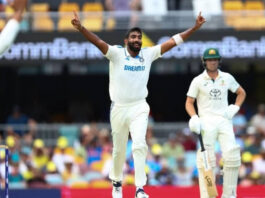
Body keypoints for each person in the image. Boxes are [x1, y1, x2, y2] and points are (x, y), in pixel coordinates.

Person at [72, 11, 205, 198]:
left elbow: (173, 42)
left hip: (139, 107)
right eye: (133, 37)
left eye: (139, 37)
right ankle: (117, 183)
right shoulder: (117, 53)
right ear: (126, 41)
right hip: (118, 107)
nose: (137, 39)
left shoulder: (148, 54)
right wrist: (81, 28)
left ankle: (140, 188)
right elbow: (98, 42)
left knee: (139, 145)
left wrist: (195, 28)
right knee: (118, 150)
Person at [185, 48, 246, 198]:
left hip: (224, 119)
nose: (212, 62)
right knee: (206, 159)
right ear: (204, 62)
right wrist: (194, 117)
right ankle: (207, 195)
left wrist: (235, 107)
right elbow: (189, 102)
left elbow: (241, 93)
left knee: (232, 155)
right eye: (209, 60)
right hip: (206, 121)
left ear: (219, 61)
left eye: (215, 59)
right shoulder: (198, 80)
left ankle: (230, 194)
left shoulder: (227, 77)